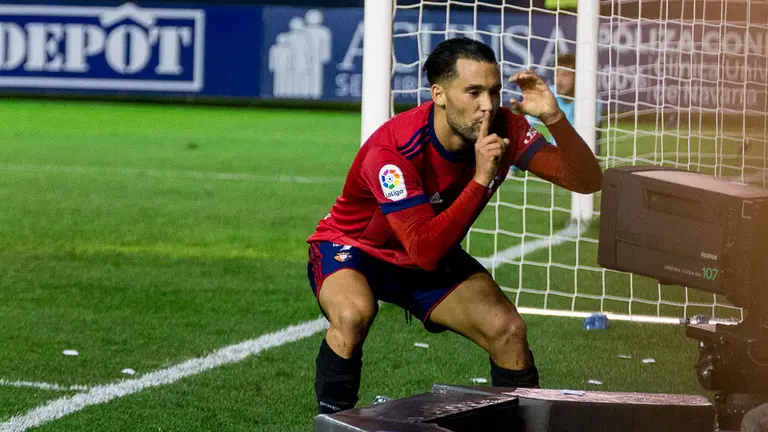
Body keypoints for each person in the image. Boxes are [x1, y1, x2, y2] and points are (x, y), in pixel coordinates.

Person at [306, 37, 603, 415]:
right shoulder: (393, 151)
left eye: (494, 91)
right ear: (439, 94)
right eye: (473, 92)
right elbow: (424, 249)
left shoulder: (504, 128)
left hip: (425, 247)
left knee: (508, 329)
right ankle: (332, 423)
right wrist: (481, 179)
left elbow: (586, 180)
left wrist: (554, 118)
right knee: (352, 315)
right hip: (355, 249)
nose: (487, 105)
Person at [526, 53, 603, 154]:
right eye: (557, 74)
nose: (558, 80)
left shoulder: (591, 100)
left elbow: (591, 141)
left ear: (577, 77)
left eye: (565, 75)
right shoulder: (547, 95)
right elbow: (527, 126)